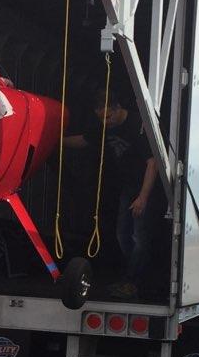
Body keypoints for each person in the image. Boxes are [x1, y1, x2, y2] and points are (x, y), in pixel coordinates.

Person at [65, 88, 163, 298]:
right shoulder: (104, 126)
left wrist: (143, 197)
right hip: (127, 188)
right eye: (101, 118)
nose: (105, 122)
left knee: (139, 237)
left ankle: (134, 281)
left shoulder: (139, 126)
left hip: (143, 189)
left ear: (118, 108)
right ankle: (132, 275)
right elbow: (85, 140)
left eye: (108, 117)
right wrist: (56, 141)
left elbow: (152, 163)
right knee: (122, 234)